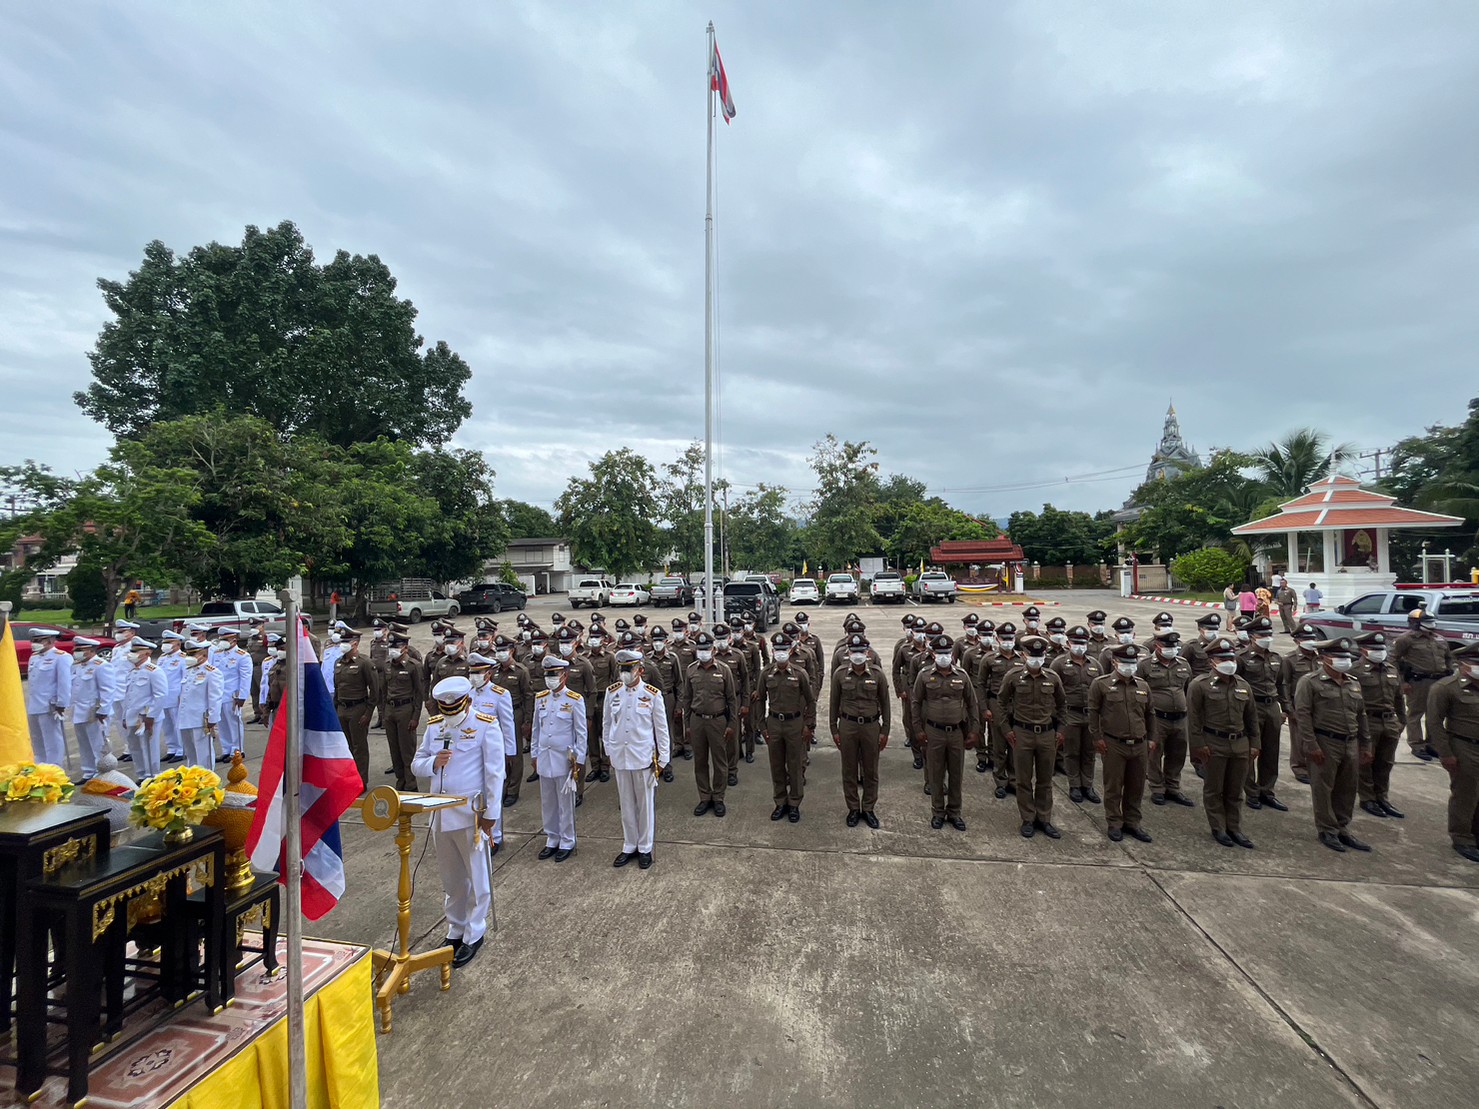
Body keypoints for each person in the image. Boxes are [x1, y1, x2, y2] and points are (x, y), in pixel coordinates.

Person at [411, 676, 504, 968]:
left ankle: (475, 933)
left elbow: (494, 773)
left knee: (476, 877)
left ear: (467, 702)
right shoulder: (435, 726)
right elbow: (418, 761)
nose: (450, 713)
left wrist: (491, 814)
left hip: (469, 813)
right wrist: (433, 763)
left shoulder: (485, 725)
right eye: (445, 708)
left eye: (456, 708)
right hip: (440, 814)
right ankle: (456, 928)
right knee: (451, 879)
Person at [1295, 638, 1372, 853]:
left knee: (1347, 788)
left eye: (1346, 657)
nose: (1344, 661)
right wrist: (1311, 746)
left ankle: (1342, 827)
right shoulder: (1310, 682)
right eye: (1338, 657)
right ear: (1324, 659)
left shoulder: (1353, 682)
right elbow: (1303, 715)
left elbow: (1361, 715)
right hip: (1325, 741)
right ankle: (1327, 829)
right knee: (1323, 787)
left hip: (1350, 742)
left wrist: (1366, 744)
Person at [603, 649, 671, 869]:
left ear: (640, 669)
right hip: (620, 756)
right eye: (622, 669)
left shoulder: (652, 694)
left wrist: (663, 758)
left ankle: (645, 847)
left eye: (629, 669)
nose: (625, 673)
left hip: (642, 757)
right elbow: (607, 724)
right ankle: (629, 845)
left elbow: (661, 729)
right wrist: (608, 749)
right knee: (626, 804)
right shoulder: (612, 692)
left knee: (645, 805)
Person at [1188, 637, 1258, 848]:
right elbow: (1193, 720)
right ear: (1212, 662)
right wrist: (1198, 747)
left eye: (1231, 658)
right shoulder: (1199, 685)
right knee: (1214, 788)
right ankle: (1218, 827)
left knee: (1236, 790)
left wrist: (1255, 744)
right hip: (1213, 742)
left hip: (1240, 743)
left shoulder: (1244, 686)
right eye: (1223, 658)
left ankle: (1234, 827)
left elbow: (1251, 718)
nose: (1229, 662)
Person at [912, 633, 980, 831]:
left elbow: (972, 703)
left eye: (947, 652)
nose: (944, 656)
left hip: (956, 732)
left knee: (956, 774)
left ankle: (955, 812)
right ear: (933, 654)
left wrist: (974, 730)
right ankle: (938, 812)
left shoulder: (962, 675)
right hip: (934, 731)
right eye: (940, 652)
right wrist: (917, 728)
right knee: (936, 773)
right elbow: (916, 703)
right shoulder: (924, 675)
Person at [998, 636, 1065, 839]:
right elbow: (1001, 703)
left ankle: (1044, 818)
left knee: (1045, 780)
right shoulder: (1013, 676)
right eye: (1032, 655)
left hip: (1047, 734)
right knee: (1023, 780)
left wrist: (1061, 730)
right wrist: (1006, 729)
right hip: (1022, 734)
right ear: (1024, 655)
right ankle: (1028, 818)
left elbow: (1062, 705)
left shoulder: (1053, 677)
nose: (1037, 659)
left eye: (1040, 655)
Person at [1088, 644, 1155, 842]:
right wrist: (1097, 738)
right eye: (1125, 662)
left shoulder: (1143, 685)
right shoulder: (1101, 684)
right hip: (1114, 743)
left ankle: (1133, 822)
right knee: (1114, 786)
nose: (1129, 666)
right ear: (1115, 662)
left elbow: (1150, 714)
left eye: (1132, 662)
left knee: (1136, 786)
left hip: (1139, 744)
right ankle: (1114, 823)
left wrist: (1152, 738)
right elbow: (1093, 712)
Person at [830, 633, 890, 828]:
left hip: (871, 726)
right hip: (848, 725)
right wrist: (834, 729)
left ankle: (869, 808)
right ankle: (853, 809)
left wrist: (885, 731)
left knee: (871, 769)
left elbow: (885, 704)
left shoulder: (877, 674)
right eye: (854, 651)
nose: (858, 654)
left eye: (861, 651)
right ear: (848, 652)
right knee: (849, 769)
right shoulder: (840, 674)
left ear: (867, 652)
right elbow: (833, 703)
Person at [530, 655, 586, 862]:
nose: (550, 679)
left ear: (564, 675)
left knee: (565, 802)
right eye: (548, 675)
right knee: (548, 802)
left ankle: (567, 840)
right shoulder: (540, 698)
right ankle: (552, 838)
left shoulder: (574, 699)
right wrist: (534, 753)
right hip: (545, 757)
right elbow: (537, 729)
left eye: (554, 675)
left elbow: (581, 733)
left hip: (565, 759)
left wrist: (579, 759)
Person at [1427, 643, 1479, 863]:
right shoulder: (1446, 687)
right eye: (1476, 662)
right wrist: (1445, 753)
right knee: (1465, 793)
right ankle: (1461, 837)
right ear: (1463, 664)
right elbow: (1434, 722)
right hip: (1463, 746)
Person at [757, 633, 816, 823]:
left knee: (795, 765)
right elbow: (760, 699)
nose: (780, 653)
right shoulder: (766, 673)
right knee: (776, 764)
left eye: (784, 650)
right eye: (777, 650)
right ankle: (780, 801)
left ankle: (794, 803)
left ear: (790, 650)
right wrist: (762, 726)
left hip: (795, 723)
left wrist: (808, 725)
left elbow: (810, 700)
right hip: (774, 723)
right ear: (773, 651)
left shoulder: (800, 674)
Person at [1353, 632, 1407, 820]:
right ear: (1362, 650)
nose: (1379, 653)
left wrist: (1401, 722)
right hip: (1368, 721)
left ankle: (1381, 796)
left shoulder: (1391, 669)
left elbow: (1399, 699)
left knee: (1386, 762)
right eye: (1374, 649)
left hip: (1390, 722)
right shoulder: (1355, 671)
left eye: (1381, 649)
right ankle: (1367, 798)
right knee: (1366, 761)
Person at [683, 631, 738, 818]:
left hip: (718, 721)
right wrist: (687, 725)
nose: (703, 652)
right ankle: (704, 797)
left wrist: (731, 724)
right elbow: (687, 698)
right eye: (700, 649)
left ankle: (719, 797)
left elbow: (731, 699)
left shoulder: (723, 670)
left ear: (713, 649)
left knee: (720, 761)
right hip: (697, 720)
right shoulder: (691, 670)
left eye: (706, 649)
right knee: (700, 761)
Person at [1237, 617, 1288, 812]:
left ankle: (1267, 790)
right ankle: (1251, 792)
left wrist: (1285, 708)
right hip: (1252, 707)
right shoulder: (1241, 658)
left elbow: (1281, 684)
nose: (1267, 638)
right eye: (1262, 635)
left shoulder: (1276, 658)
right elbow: (1237, 685)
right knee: (1250, 750)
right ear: (1251, 637)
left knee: (1271, 750)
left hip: (1272, 707)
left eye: (1269, 634)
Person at [1391, 609, 1455, 760]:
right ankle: (1417, 745)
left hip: (1439, 681)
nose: (1431, 626)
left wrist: (1450, 674)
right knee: (1415, 714)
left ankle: (1432, 745)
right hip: (1418, 681)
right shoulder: (1406, 639)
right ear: (1416, 624)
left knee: (1435, 714)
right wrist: (1402, 682)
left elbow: (1448, 658)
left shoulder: (1439, 639)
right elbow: (1393, 660)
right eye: (1427, 623)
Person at [1141, 630, 1194, 808]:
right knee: (1155, 754)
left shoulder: (1184, 664)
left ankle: (1173, 786)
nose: (1172, 649)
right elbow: (1138, 691)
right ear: (1157, 645)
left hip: (1180, 718)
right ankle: (1157, 788)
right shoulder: (1145, 665)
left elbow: (1187, 689)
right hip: (1158, 717)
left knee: (1177, 753)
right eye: (1167, 646)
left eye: (1174, 646)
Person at [1051, 625, 1102, 805]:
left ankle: (1087, 785)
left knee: (1089, 752)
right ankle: (1074, 785)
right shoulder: (1059, 663)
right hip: (1069, 714)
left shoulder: (1095, 665)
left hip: (1090, 716)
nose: (1079, 646)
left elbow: (1101, 690)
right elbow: (1053, 691)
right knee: (1071, 752)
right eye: (1075, 642)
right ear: (1068, 642)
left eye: (1082, 643)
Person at [978, 622, 1022, 798]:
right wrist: (984, 708)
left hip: (1017, 705)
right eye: (1004, 638)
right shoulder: (989, 659)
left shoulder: (1022, 659)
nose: (1008, 642)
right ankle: (1001, 781)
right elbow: (980, 685)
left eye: (1011, 638)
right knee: (999, 746)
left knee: (1016, 744)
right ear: (997, 639)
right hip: (996, 704)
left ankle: (1014, 780)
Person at [333, 629, 381, 791]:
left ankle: (360, 781)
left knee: (359, 747)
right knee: (344, 747)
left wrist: (368, 712)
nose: (342, 645)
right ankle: (347, 779)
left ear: (355, 643)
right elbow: (337, 687)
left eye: (345, 642)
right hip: (342, 708)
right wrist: (335, 709)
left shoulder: (365, 663)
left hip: (358, 709)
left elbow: (375, 690)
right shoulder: (338, 662)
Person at [381, 629, 426, 791]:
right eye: (390, 646)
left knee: (407, 750)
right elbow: (383, 691)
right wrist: (384, 713)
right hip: (390, 710)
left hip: (406, 710)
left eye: (396, 646)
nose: (392, 649)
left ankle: (411, 784)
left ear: (405, 648)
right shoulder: (387, 666)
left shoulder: (414, 666)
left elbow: (420, 693)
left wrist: (415, 716)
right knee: (394, 750)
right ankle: (400, 782)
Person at [23, 628, 73, 772]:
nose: (34, 644)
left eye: (38, 640)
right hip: (34, 704)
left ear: (50, 641)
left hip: (50, 705)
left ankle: (54, 770)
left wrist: (62, 704)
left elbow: (64, 683)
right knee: (37, 739)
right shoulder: (34, 657)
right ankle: (40, 768)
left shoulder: (61, 657)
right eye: (33, 641)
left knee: (52, 740)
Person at [69, 637, 116, 779]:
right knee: (84, 744)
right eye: (75, 649)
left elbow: (107, 690)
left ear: (90, 650)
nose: (76, 652)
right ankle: (88, 771)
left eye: (79, 650)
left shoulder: (101, 665)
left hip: (95, 712)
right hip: (79, 711)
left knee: (98, 745)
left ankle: (102, 772)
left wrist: (103, 710)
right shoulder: (77, 666)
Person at [120, 639, 169, 776]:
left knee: (149, 747)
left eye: (136, 651)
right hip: (132, 715)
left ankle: (153, 774)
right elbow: (128, 697)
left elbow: (160, 695)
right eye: (131, 651)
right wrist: (124, 717)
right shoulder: (132, 672)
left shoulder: (154, 671)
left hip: (146, 716)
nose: (131, 654)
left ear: (147, 653)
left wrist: (151, 716)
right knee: (135, 747)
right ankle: (142, 774)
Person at [1281, 624, 1322, 784]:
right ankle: (1299, 767)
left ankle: (1314, 766)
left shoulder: (1320, 658)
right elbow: (1284, 684)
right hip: (1298, 705)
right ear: (1297, 641)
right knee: (1299, 739)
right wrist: (1288, 708)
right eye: (1306, 639)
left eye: (1312, 638)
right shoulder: (1289, 660)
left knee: (1315, 738)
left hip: (1319, 704)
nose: (1310, 642)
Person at [176, 640, 223, 768]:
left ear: (204, 655)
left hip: (201, 719)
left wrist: (213, 718)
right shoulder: (188, 670)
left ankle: (208, 780)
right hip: (185, 718)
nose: (189, 658)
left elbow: (215, 697)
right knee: (191, 755)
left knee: (204, 755)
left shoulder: (212, 672)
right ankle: (193, 780)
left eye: (193, 655)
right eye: (189, 654)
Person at [213, 629, 252, 762]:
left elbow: (245, 677)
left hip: (232, 695)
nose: (222, 643)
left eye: (225, 640)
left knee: (233, 722)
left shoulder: (242, 656)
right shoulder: (217, 654)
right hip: (218, 695)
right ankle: (226, 749)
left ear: (234, 640)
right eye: (221, 640)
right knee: (221, 723)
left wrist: (242, 696)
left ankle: (237, 750)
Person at [156, 630, 187, 764]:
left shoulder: (182, 658)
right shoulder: (162, 658)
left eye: (169, 642)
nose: (166, 645)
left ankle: (181, 750)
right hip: (163, 696)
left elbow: (185, 678)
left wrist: (182, 695)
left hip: (176, 696)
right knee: (166, 724)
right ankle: (171, 748)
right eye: (165, 642)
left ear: (178, 644)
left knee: (177, 724)